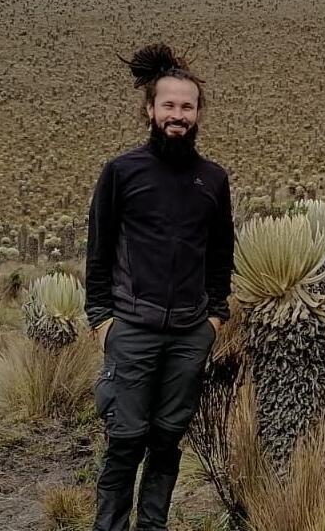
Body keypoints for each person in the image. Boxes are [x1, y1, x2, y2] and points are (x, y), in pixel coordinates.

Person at [85, 43, 234, 531]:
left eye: (187, 107)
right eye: (168, 105)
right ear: (149, 109)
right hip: (132, 329)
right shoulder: (122, 172)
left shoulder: (213, 179)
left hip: (190, 334)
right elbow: (99, 250)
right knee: (125, 440)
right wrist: (103, 321)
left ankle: (153, 525)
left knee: (167, 440)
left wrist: (213, 319)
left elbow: (220, 255)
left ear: (198, 114)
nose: (178, 115)